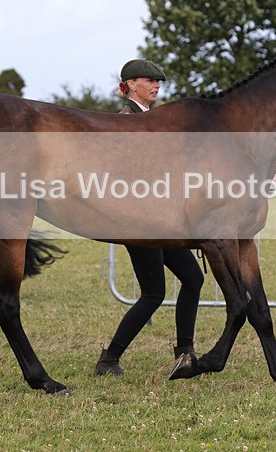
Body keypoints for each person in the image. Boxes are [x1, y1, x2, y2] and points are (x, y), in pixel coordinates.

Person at [95, 59, 204, 376]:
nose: (156, 86)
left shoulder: (154, 119)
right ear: (131, 85)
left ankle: (185, 353)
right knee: (154, 293)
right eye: (150, 80)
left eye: (159, 82)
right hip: (139, 220)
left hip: (160, 219)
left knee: (193, 279)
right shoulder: (126, 122)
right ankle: (109, 359)